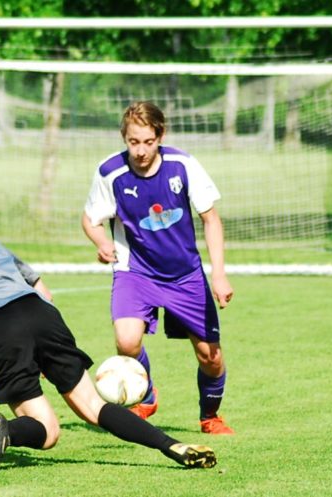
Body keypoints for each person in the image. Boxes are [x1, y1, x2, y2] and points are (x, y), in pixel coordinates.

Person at [0, 201, 217, 472]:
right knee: (94, 406)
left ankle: (6, 431)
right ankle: (171, 445)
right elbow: (42, 289)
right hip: (40, 314)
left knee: (47, 431)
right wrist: (45, 346)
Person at [81, 101, 234, 435]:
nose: (140, 151)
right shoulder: (110, 172)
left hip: (185, 275)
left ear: (161, 136)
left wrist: (219, 274)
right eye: (133, 142)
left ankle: (210, 417)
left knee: (210, 357)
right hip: (135, 272)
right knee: (126, 342)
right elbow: (91, 219)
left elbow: (211, 219)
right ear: (124, 139)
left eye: (148, 142)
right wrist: (102, 243)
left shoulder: (183, 165)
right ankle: (147, 394)